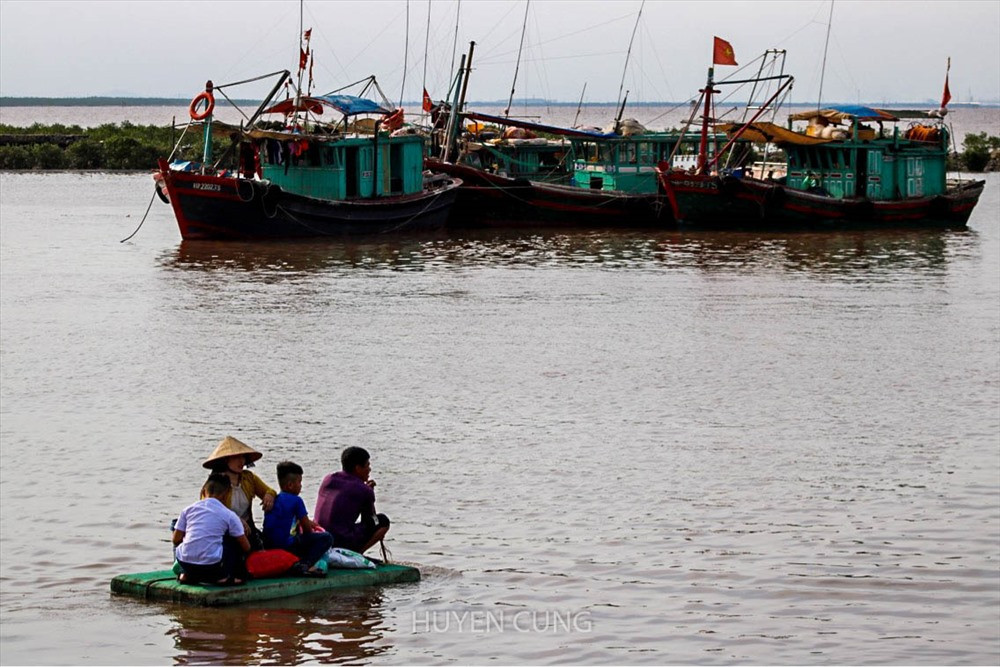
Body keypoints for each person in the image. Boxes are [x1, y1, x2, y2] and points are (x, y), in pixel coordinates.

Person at [173, 473, 251, 585]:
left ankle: (186, 574)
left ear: (204, 492)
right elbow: (246, 547)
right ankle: (222, 577)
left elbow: (176, 540)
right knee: (233, 540)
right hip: (212, 566)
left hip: (185, 562)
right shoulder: (229, 515)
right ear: (226, 495)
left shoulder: (188, 510)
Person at [200, 436, 277, 550]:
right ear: (226, 459)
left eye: (243, 457)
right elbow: (209, 510)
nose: (242, 461)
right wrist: (235, 520)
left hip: (247, 528)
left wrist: (269, 495)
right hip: (224, 530)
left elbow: (269, 490)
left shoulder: (249, 478)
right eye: (236, 457)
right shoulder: (215, 484)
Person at [314, 447, 390, 555]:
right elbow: (369, 519)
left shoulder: (329, 479)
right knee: (382, 520)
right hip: (341, 540)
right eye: (367, 465)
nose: (369, 469)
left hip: (319, 537)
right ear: (358, 468)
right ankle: (358, 553)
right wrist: (370, 494)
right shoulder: (364, 490)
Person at [262, 461, 332, 577]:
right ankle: (305, 564)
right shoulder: (296, 500)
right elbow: (307, 529)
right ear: (290, 485)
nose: (301, 485)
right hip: (287, 546)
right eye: (299, 482)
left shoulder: (274, 500)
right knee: (327, 537)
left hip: (269, 545)